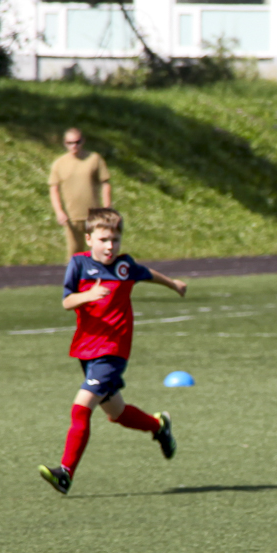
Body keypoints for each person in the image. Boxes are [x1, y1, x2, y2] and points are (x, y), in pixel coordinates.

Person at [38, 208, 187, 495]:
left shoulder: (124, 266)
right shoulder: (79, 265)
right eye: (104, 239)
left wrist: (173, 284)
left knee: (81, 408)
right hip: (86, 348)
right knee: (117, 413)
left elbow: (147, 273)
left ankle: (65, 473)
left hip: (113, 350)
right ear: (89, 238)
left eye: (116, 240)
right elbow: (67, 302)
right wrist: (88, 296)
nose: (110, 246)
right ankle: (159, 425)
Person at [48, 128, 112, 263]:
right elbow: (54, 189)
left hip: (94, 216)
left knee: (99, 251)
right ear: (65, 143)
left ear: (83, 141)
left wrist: (106, 208)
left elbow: (105, 183)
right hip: (72, 217)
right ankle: (76, 281)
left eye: (77, 142)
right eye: (70, 143)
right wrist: (59, 212)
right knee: (75, 253)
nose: (74, 146)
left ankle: (101, 281)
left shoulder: (94, 159)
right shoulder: (59, 164)